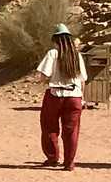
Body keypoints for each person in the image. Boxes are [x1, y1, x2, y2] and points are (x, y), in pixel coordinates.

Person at [34, 23, 87, 168]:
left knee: (49, 127)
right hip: (74, 96)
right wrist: (82, 98)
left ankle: (53, 158)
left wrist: (45, 80)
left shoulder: (53, 53)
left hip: (55, 95)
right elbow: (83, 80)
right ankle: (69, 163)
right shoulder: (77, 56)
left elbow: (44, 76)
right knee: (71, 131)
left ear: (56, 40)